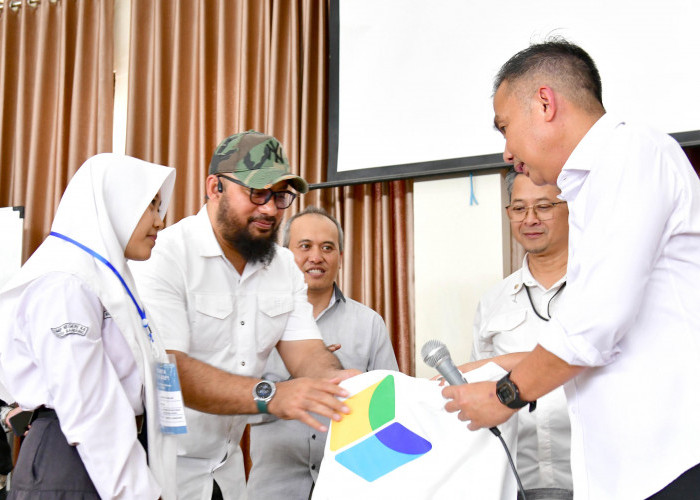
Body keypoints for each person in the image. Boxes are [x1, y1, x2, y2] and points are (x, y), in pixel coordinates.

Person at [442, 38, 700, 499]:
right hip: (630, 474)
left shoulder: (631, 150)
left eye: (504, 128)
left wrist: (503, 396)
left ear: (545, 102)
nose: (506, 152)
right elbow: (597, 340)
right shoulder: (595, 185)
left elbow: (594, 323)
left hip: (673, 462)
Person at [130, 131, 356, 500]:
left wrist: (339, 382)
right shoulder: (165, 256)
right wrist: (273, 395)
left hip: (227, 472)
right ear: (214, 187)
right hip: (159, 472)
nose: (270, 209)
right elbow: (168, 369)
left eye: (280, 195)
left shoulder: (283, 266)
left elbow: (306, 353)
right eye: (256, 192)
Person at [0, 153, 179, 499]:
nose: (159, 221)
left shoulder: (105, 279)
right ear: (116, 203)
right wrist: (136, 492)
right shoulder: (65, 282)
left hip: (101, 456)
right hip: (70, 459)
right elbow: (89, 403)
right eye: (150, 206)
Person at [247, 206, 399, 500]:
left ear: (340, 258)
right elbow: (237, 407)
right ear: (284, 255)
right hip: (274, 485)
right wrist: (304, 367)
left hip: (350, 484)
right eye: (305, 246)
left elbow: (388, 410)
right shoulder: (255, 319)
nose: (316, 257)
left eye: (327, 247)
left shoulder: (368, 323)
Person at [463, 169, 572, 499]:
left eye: (544, 206)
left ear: (571, 207)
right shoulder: (493, 302)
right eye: (519, 208)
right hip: (515, 483)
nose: (530, 219)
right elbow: (479, 388)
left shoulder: (600, 291)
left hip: (597, 478)